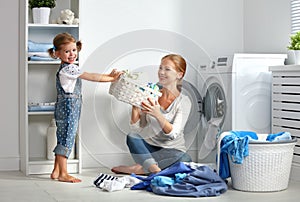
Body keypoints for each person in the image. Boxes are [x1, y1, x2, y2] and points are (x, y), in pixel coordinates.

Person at [48, 32, 123, 183]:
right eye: (67, 51)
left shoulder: (68, 68)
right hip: (69, 108)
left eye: (74, 50)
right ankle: (64, 173)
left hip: (66, 107)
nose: (72, 54)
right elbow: (91, 76)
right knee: (67, 139)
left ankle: (56, 170)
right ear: (57, 53)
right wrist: (111, 78)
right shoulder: (69, 69)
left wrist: (109, 75)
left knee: (63, 137)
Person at [111, 54, 192, 175]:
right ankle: (153, 168)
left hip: (173, 151)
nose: (161, 72)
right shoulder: (150, 94)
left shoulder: (183, 101)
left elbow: (173, 134)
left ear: (179, 74)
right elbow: (137, 129)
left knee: (185, 160)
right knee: (132, 137)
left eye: (167, 69)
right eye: (160, 68)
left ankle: (142, 168)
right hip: (150, 148)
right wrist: (135, 106)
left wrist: (158, 114)